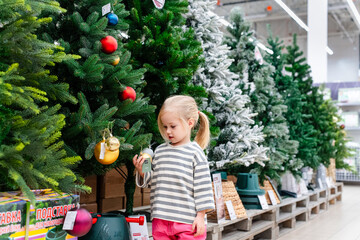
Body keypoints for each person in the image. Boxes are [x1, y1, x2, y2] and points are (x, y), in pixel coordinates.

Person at [133, 95, 215, 240]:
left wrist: (200, 217)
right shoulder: (160, 151)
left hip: (188, 223)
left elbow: (203, 189)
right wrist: (142, 171)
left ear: (190, 123)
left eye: (172, 126)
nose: (168, 132)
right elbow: (154, 182)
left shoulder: (195, 154)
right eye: (165, 127)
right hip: (161, 220)